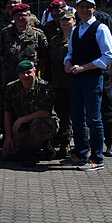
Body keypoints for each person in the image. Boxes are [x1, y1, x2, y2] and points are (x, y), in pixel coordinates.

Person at [62, 0, 112, 171]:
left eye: (88, 7)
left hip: (92, 78)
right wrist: (68, 63)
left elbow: (108, 57)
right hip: (76, 78)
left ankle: (97, 158)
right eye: (81, 7)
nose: (84, 10)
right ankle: (81, 153)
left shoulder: (101, 28)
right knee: (77, 117)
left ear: (94, 8)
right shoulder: (76, 29)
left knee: (94, 118)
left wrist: (85, 67)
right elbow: (70, 53)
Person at [2, 60, 59, 167]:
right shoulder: (12, 88)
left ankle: (34, 151)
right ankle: (41, 145)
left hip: (45, 124)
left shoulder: (44, 87)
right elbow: (7, 113)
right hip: (24, 128)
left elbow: (45, 113)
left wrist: (21, 119)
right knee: (8, 154)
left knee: (38, 124)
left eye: (29, 72)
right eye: (22, 73)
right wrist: (8, 137)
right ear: (18, 74)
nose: (26, 75)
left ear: (35, 71)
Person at [0, 3, 48, 88]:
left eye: (23, 15)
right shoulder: (5, 33)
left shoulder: (37, 34)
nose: (20, 18)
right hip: (10, 75)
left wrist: (35, 69)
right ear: (13, 17)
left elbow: (44, 55)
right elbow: (0, 52)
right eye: (17, 15)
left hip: (29, 76)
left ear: (29, 16)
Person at [47, 11, 75, 159]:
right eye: (62, 20)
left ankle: (81, 145)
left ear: (74, 21)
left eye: (68, 20)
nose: (65, 22)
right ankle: (64, 144)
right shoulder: (54, 39)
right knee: (62, 115)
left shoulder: (78, 38)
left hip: (74, 83)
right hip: (58, 83)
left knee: (76, 116)